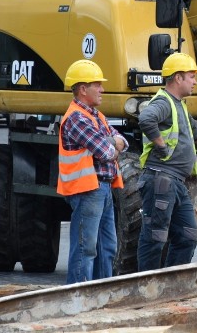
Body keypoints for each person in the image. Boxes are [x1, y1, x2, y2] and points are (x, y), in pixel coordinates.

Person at [137, 52, 197, 271]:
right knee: (155, 237)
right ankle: (146, 287)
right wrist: (160, 144)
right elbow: (146, 118)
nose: (195, 81)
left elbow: (196, 131)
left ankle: (171, 284)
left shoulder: (180, 106)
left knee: (187, 236)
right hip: (161, 179)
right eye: (191, 76)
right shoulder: (164, 103)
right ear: (178, 78)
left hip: (175, 182)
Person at [59, 59, 128, 284]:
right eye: (97, 84)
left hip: (103, 189)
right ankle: (78, 297)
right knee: (85, 249)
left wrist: (112, 143)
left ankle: (101, 295)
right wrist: (111, 143)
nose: (102, 89)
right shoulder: (76, 118)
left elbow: (122, 142)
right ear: (82, 89)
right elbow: (107, 151)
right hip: (88, 190)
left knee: (107, 247)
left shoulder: (96, 116)